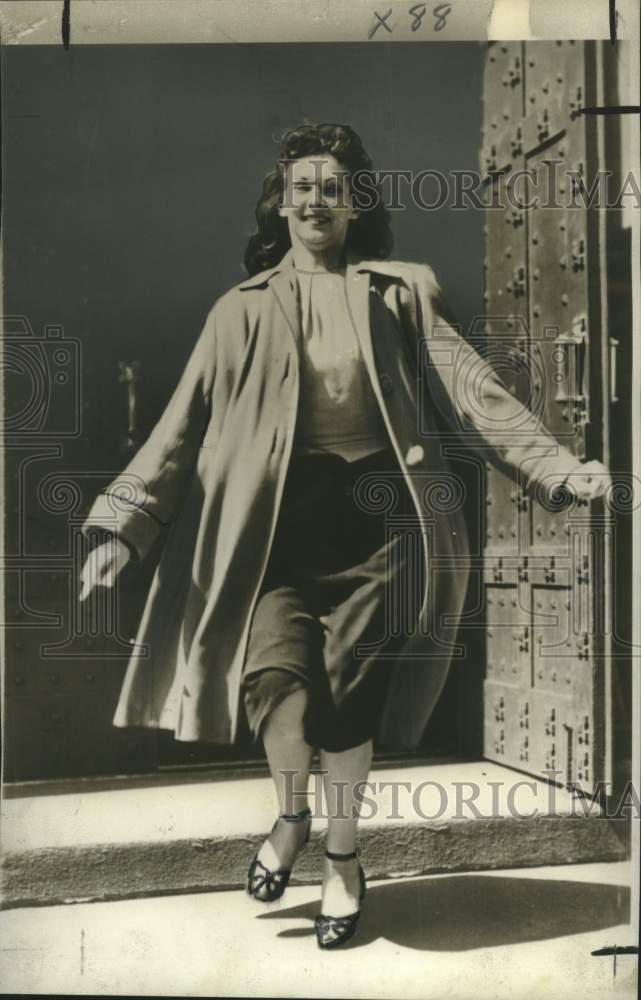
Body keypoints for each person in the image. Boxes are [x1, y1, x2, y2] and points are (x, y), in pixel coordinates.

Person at [79, 123, 610, 949]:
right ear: (279, 203)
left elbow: (476, 393)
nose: (316, 201)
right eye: (302, 188)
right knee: (274, 687)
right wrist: (122, 526)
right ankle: (291, 818)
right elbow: (180, 425)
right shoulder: (239, 310)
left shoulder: (397, 292)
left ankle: (341, 855)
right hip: (276, 529)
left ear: (355, 204)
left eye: (333, 187)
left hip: (378, 526)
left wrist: (557, 467)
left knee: (345, 698)